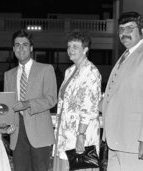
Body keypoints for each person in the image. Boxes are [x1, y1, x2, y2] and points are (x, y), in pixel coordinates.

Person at [101, 11, 143, 171]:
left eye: (130, 28)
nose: (124, 33)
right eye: (121, 29)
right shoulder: (127, 55)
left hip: (134, 141)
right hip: (116, 139)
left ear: (142, 30)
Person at [4, 29, 57, 171]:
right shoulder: (8, 75)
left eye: (25, 44)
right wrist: (4, 124)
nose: (21, 48)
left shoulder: (46, 69)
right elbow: (7, 104)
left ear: (31, 48)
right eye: (17, 45)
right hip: (17, 132)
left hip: (39, 132)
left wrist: (28, 104)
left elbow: (52, 99)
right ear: (13, 49)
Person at [53, 31, 102, 171]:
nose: (70, 50)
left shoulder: (91, 72)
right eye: (69, 46)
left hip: (82, 135)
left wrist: (81, 135)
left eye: (75, 46)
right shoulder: (69, 71)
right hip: (65, 134)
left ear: (85, 49)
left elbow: (90, 107)